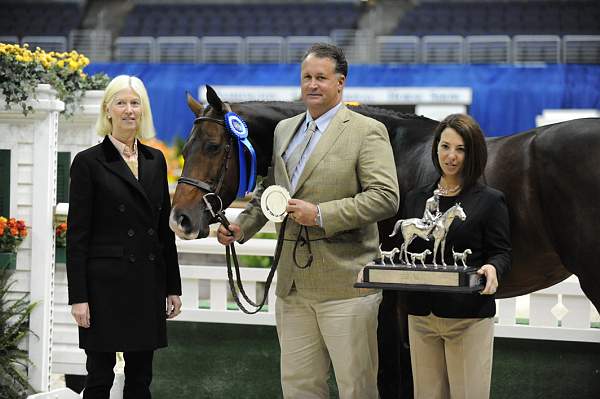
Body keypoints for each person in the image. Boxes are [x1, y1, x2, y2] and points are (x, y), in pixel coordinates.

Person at [217, 43, 399, 398]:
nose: (312, 85)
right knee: (299, 387)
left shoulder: (366, 131)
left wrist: (320, 215)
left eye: (321, 78)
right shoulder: (285, 130)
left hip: (346, 285)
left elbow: (385, 198)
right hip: (292, 288)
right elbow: (272, 188)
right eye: (306, 78)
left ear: (340, 83)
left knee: (356, 388)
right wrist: (243, 227)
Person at [66, 75, 182, 399]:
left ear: (143, 110)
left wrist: (173, 287)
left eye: (135, 103)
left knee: (140, 379)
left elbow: (163, 231)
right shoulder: (88, 162)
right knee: (99, 378)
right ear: (108, 110)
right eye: (121, 103)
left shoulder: (155, 160)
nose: (129, 110)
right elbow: (76, 236)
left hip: (146, 283)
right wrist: (79, 297)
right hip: (103, 289)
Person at [399, 114, 511, 399]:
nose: (451, 156)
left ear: (473, 153)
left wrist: (493, 267)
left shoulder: (489, 200)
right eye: (445, 146)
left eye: (460, 149)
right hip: (421, 317)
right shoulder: (415, 198)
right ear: (436, 148)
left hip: (468, 318)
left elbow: (501, 252)